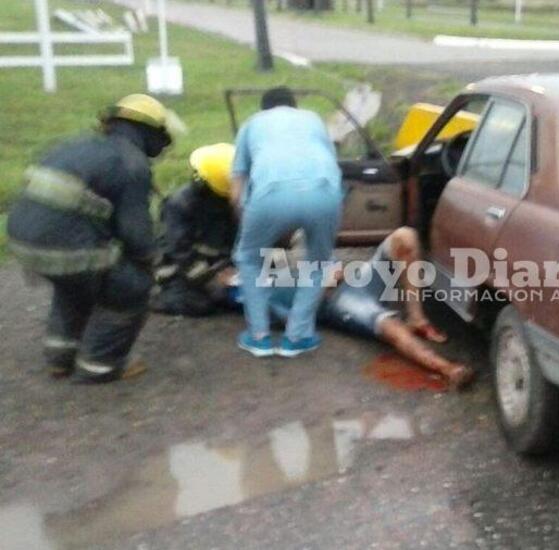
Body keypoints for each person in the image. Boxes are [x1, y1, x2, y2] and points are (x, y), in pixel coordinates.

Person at [7, 94, 184, 383]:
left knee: (76, 284)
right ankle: (100, 364)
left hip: (22, 241)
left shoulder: (78, 146)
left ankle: (60, 358)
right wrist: (153, 263)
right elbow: (136, 235)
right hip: (65, 248)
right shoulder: (131, 162)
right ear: (150, 131)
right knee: (131, 288)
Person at [221, 227, 474, 389]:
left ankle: (417, 317)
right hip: (337, 302)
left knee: (404, 237)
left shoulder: (297, 238)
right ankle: (447, 369)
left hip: (356, 278)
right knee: (387, 326)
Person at [232, 86, 343, 358]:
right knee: (317, 263)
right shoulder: (314, 119)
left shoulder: (251, 124)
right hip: (325, 192)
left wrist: (247, 229)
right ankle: (298, 337)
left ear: (264, 109)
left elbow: (237, 190)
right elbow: (330, 161)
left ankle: (258, 337)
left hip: (271, 192)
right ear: (294, 106)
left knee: (248, 258)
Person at [150, 143, 238, 317]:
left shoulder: (228, 202)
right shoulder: (179, 206)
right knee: (198, 305)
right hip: (180, 271)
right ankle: (156, 296)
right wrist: (213, 279)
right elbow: (179, 252)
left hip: (219, 266)